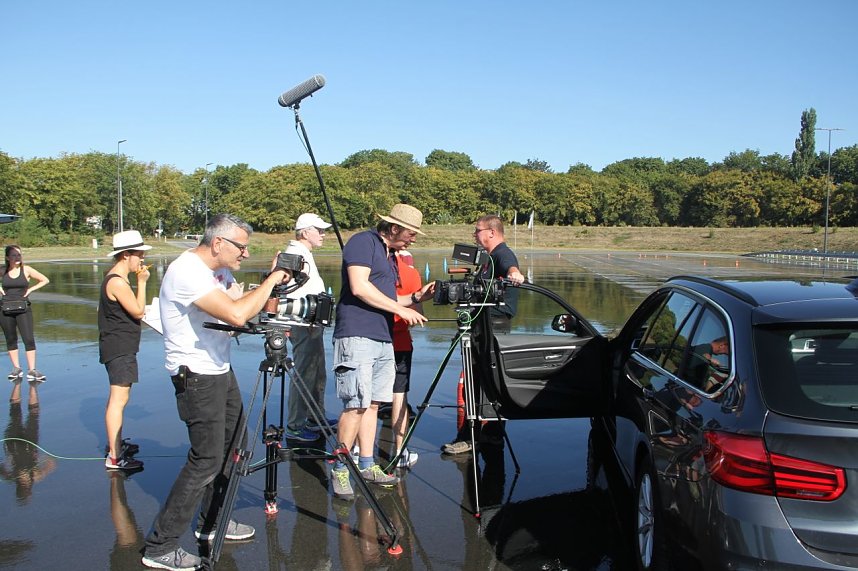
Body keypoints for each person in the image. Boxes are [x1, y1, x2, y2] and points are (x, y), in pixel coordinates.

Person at [141, 214, 294, 571]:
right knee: (206, 459)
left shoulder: (219, 271)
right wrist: (272, 279)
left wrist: (269, 289)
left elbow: (243, 310)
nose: (245, 253)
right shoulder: (187, 272)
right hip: (196, 375)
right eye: (241, 247)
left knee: (234, 449)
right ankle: (160, 546)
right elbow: (237, 315)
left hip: (219, 370)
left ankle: (210, 524)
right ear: (218, 243)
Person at [329, 204, 434, 500]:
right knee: (356, 404)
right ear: (394, 227)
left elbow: (389, 297)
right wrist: (401, 310)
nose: (413, 238)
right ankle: (340, 468)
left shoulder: (389, 255)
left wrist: (417, 296)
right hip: (356, 335)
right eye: (411, 233)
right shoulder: (363, 242)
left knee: (373, 405)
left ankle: (367, 464)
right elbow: (359, 287)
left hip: (382, 336)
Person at [442, 215, 524, 455]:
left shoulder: (502, 254)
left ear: (491, 232)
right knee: (477, 380)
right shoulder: (488, 258)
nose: (474, 235)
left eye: (477, 230)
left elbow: (511, 266)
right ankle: (485, 435)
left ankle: (479, 436)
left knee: (485, 381)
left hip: (493, 327)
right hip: (482, 325)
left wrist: (515, 274)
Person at [99, 230, 152, 471]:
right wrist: (142, 282)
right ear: (125, 255)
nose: (142, 259)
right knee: (118, 400)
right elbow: (138, 311)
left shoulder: (115, 278)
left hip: (119, 345)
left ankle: (116, 444)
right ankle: (114, 457)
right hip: (119, 348)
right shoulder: (118, 282)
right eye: (139, 255)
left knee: (119, 399)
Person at [283, 212, 336, 442]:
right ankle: (295, 426)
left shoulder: (304, 253)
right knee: (304, 373)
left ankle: (315, 418)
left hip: (311, 323)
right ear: (305, 232)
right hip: (302, 324)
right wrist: (288, 324)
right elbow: (282, 287)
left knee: (317, 372)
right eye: (319, 230)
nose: (323, 234)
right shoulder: (295, 253)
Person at [1, 245, 50, 404]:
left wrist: (30, 290)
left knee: (28, 338)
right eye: (14, 255)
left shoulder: (26, 270)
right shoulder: (3, 270)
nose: (17, 257)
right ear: (7, 257)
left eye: (19, 255)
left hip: (23, 308)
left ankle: (32, 370)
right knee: (10, 338)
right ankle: (16, 368)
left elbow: (45, 280)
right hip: (5, 308)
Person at [390, 249, 423, 468]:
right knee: (399, 396)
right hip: (401, 342)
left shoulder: (374, 271)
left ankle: (356, 449)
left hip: (374, 339)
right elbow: (418, 312)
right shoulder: (412, 275)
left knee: (368, 400)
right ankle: (400, 451)